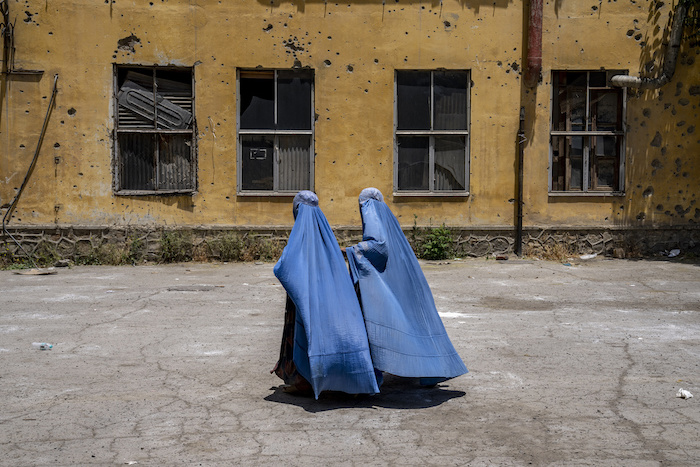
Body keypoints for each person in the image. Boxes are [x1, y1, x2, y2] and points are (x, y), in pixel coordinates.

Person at [345, 188, 468, 385]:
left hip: (380, 285)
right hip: (400, 282)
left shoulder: (370, 208)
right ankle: (431, 369)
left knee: (377, 324)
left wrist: (351, 250)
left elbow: (378, 246)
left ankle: (375, 375)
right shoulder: (388, 220)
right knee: (411, 322)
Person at [272, 191, 380, 399]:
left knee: (305, 335)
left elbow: (283, 267)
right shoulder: (325, 232)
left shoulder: (301, 233)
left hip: (305, 299)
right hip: (330, 299)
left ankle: (305, 381)